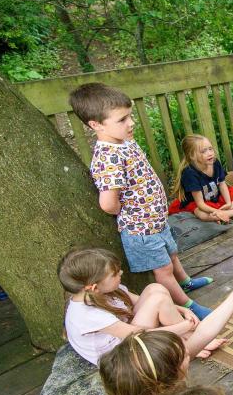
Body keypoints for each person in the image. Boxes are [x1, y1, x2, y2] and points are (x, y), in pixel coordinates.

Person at [68, 82, 213, 318]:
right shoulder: (108, 157)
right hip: (140, 229)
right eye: (122, 119)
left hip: (156, 220)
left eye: (130, 116)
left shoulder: (124, 141)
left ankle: (185, 281)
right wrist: (131, 213)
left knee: (172, 253)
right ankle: (187, 305)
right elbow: (108, 203)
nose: (131, 123)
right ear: (96, 125)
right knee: (163, 268)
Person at [98, 265, 233, 395]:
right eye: (184, 355)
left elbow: (204, 333)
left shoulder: (160, 379)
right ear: (169, 378)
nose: (188, 350)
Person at [59, 247, 224, 365]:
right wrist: (183, 325)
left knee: (156, 289)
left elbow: (143, 301)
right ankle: (189, 342)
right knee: (159, 300)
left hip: (130, 335)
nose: (121, 273)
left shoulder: (105, 290)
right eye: (115, 273)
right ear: (94, 287)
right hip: (122, 356)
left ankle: (189, 337)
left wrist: (181, 309)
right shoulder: (87, 315)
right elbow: (139, 335)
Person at [167, 134, 233, 223]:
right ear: (192, 156)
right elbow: (200, 204)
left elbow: (222, 184)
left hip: (216, 196)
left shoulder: (215, 162)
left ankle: (221, 214)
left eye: (210, 149)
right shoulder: (190, 173)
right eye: (204, 151)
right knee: (202, 214)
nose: (210, 153)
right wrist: (217, 211)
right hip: (200, 203)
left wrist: (228, 202)